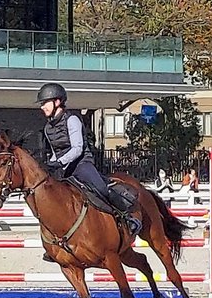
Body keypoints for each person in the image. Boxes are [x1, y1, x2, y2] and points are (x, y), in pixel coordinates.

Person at [36, 82, 140, 237]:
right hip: (62, 168)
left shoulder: (72, 120)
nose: (42, 107)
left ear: (57, 102)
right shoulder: (47, 128)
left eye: (45, 103)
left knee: (101, 189)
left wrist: (59, 162)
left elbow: (77, 149)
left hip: (81, 164)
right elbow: (54, 151)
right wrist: (49, 165)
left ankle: (128, 218)